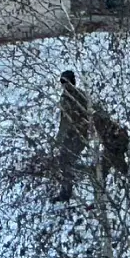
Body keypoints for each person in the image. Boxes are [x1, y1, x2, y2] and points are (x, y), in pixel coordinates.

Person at [52, 70, 91, 203]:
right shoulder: (80, 95)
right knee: (67, 162)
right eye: (63, 83)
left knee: (66, 162)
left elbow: (65, 122)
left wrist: (58, 140)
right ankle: (67, 190)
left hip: (77, 136)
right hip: (78, 135)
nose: (64, 85)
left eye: (65, 82)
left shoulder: (72, 97)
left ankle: (66, 192)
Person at [92, 103, 130, 191]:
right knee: (101, 172)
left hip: (115, 151)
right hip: (109, 150)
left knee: (122, 168)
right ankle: (100, 192)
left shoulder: (112, 126)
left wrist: (115, 147)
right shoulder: (100, 122)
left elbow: (122, 139)